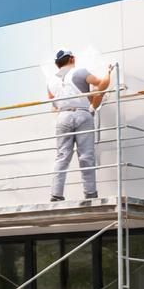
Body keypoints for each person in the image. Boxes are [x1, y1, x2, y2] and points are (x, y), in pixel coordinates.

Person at [46, 49, 113, 202]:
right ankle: (90, 193)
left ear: (57, 64)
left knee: (62, 156)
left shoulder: (51, 81)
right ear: (72, 59)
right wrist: (109, 73)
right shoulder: (80, 72)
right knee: (86, 156)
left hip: (62, 116)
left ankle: (56, 195)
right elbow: (101, 84)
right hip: (82, 114)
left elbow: (53, 104)